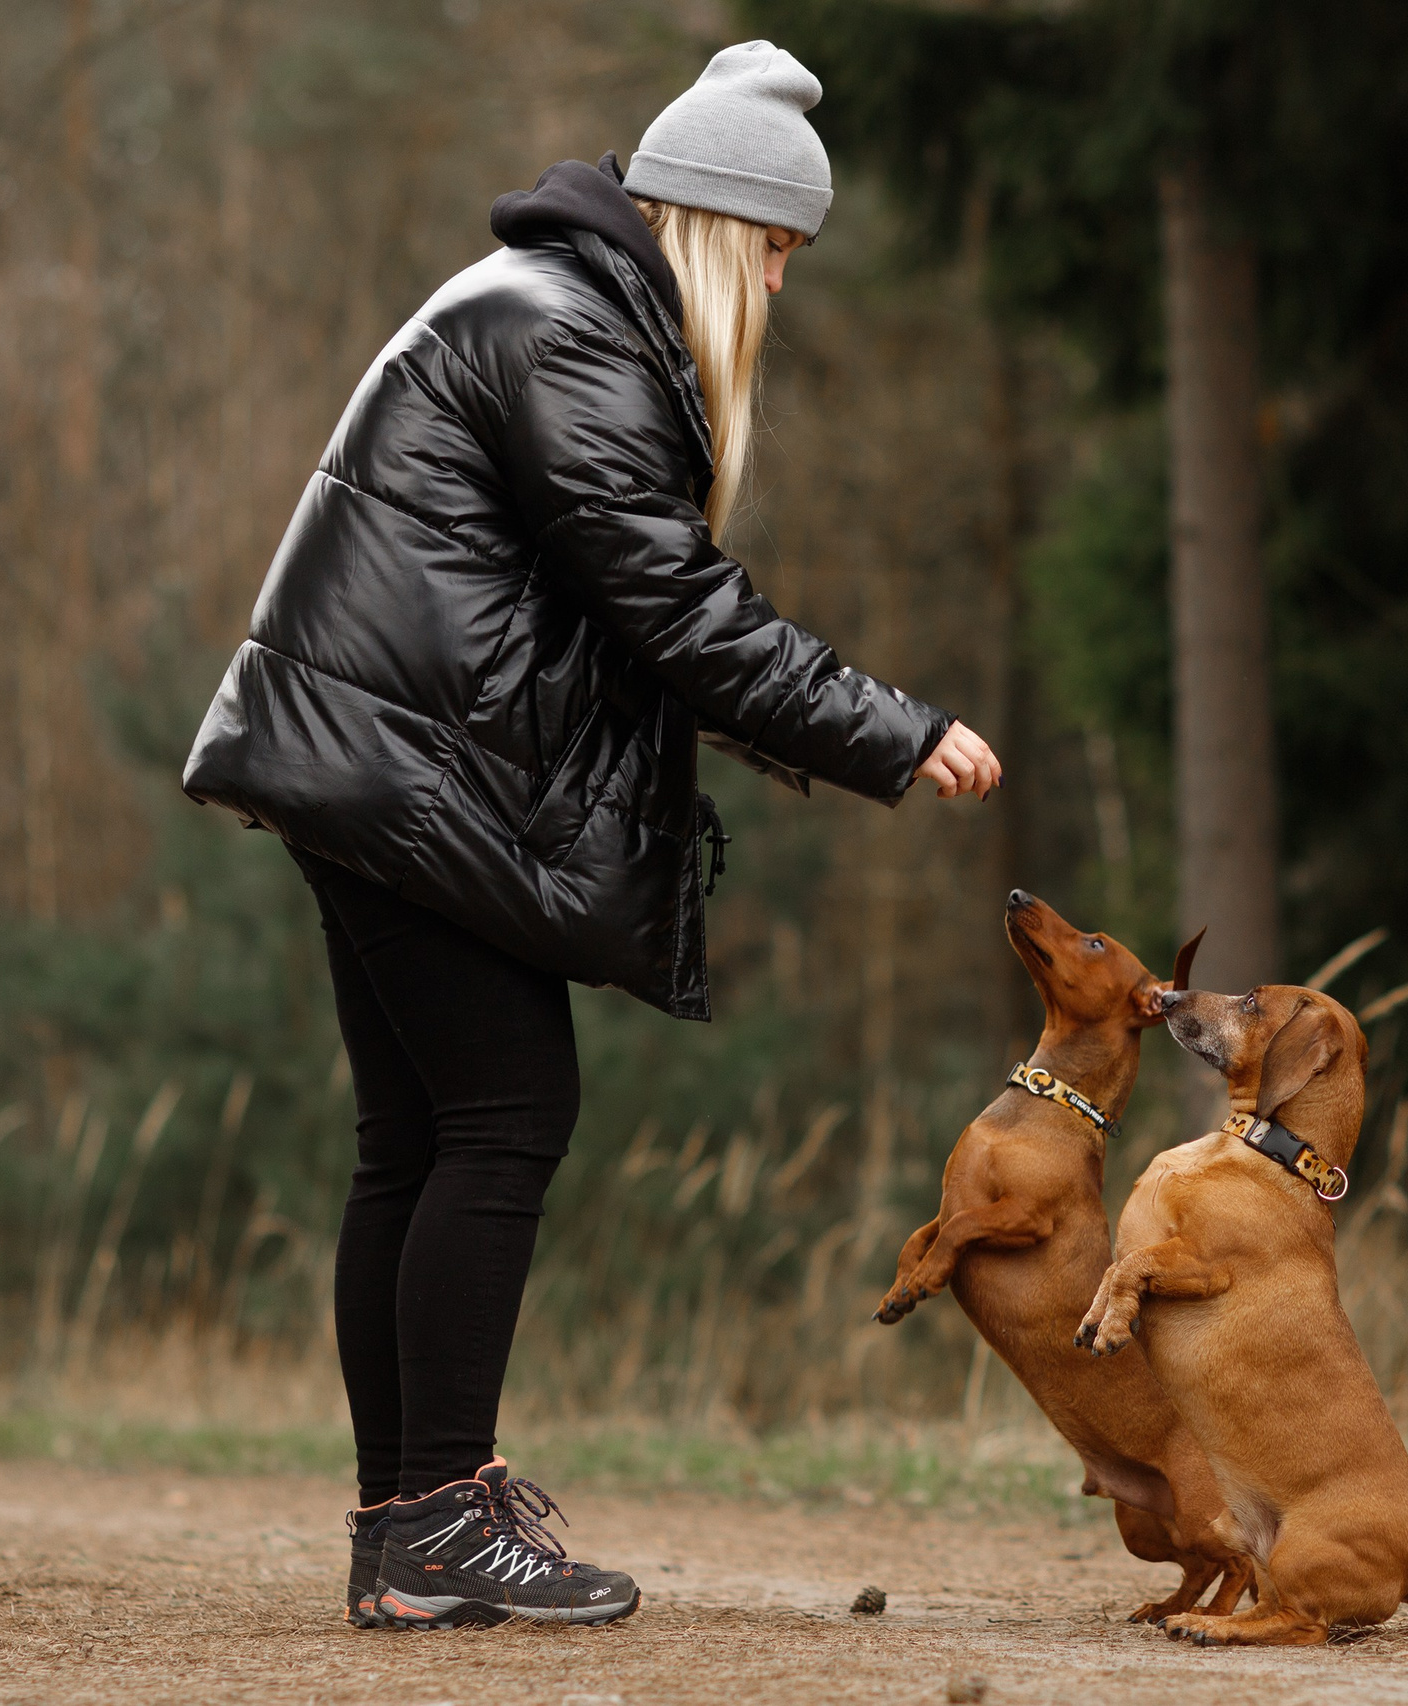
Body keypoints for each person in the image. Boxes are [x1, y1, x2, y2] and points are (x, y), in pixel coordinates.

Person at [181, 40, 1000, 1630]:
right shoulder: (569, 335)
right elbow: (678, 611)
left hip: (373, 765)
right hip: (406, 774)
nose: (783, 281)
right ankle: (437, 1518)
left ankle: (408, 1529)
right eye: (778, 246)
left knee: (416, 1138)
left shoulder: (544, 307)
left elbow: (624, 624)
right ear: (714, 221)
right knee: (506, 1111)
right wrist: (889, 728)